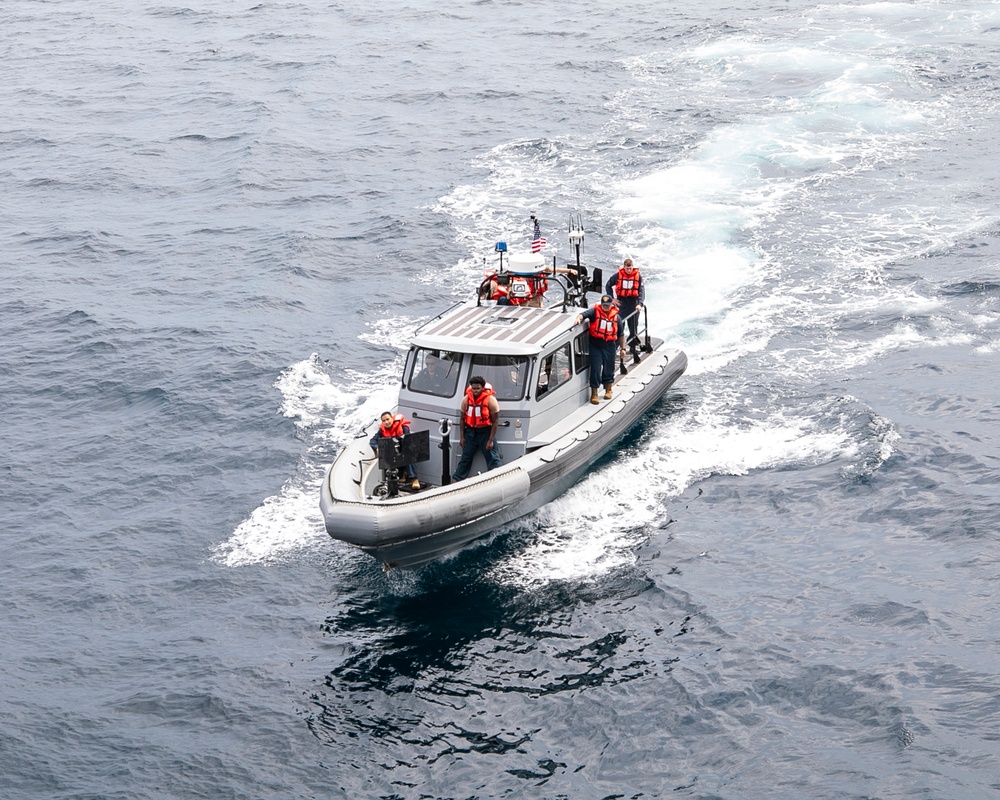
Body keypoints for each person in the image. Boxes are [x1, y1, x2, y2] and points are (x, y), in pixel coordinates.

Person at [451, 376, 501, 481]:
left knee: (493, 458)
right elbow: (462, 419)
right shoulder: (466, 400)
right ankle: (457, 480)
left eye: (478, 388)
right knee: (465, 458)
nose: (475, 391)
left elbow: (495, 421)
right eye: (473, 388)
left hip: (485, 432)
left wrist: (491, 440)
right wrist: (462, 437)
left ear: (483, 388)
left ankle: (496, 479)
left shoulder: (490, 400)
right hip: (470, 433)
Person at [576, 295, 623, 404]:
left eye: (607, 305)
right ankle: (594, 392)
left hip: (610, 345)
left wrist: (623, 348)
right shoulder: (594, 312)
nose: (605, 307)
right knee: (596, 368)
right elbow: (584, 314)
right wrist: (579, 318)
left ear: (611, 305)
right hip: (596, 345)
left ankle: (608, 388)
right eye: (603, 305)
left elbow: (620, 334)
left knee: (609, 367)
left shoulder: (616, 317)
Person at [370, 411, 420, 490]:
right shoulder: (382, 431)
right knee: (387, 458)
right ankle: (396, 477)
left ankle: (414, 478)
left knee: (410, 454)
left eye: (387, 419)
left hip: (403, 451)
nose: (386, 422)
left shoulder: (404, 428)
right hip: (393, 453)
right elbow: (373, 441)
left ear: (392, 418)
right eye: (384, 421)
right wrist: (377, 448)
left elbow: (408, 440)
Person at [605, 258, 644, 351]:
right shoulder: (618, 276)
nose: (629, 270)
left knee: (633, 325)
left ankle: (632, 346)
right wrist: (612, 299)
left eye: (630, 268)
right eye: (627, 268)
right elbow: (608, 285)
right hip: (621, 303)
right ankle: (616, 346)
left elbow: (642, 292)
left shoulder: (638, 277)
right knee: (619, 324)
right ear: (624, 267)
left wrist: (640, 304)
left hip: (633, 303)